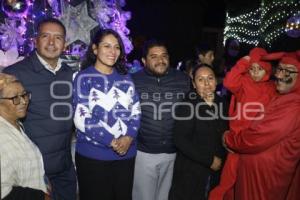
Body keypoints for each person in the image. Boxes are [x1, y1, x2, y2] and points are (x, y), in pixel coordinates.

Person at [3, 18, 77, 200]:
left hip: (64, 169)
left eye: (58, 37)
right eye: (46, 36)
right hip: (34, 173)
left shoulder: (71, 74)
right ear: (35, 40)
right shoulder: (15, 75)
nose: (52, 43)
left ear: (65, 43)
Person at [73, 28, 141, 200]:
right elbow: (81, 117)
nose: (113, 51)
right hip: (93, 158)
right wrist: (111, 141)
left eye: (117, 47)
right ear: (95, 49)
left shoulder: (126, 78)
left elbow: (136, 110)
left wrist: (128, 137)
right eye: (107, 46)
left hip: (126, 155)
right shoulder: (83, 78)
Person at [222, 51, 300, 200]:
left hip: (262, 183)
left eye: (288, 71)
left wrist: (229, 139)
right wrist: (245, 61)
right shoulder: (283, 96)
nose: (280, 75)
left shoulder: (293, 105)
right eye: (280, 69)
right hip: (253, 176)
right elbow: (230, 82)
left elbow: (257, 138)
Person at [209, 47, 276, 200]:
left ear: (267, 70)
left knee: (249, 185)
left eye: (260, 69)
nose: (255, 72)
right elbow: (229, 82)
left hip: (257, 145)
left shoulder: (272, 88)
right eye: (252, 68)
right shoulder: (245, 81)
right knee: (227, 181)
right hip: (237, 142)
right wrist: (244, 62)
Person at [131, 39, 190, 200]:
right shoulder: (133, 80)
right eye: (154, 56)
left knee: (165, 196)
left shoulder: (182, 79)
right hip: (144, 152)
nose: (160, 60)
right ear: (144, 61)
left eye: (164, 55)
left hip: (174, 152)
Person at [168, 65, 228, 200]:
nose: (207, 84)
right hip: (191, 170)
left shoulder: (222, 103)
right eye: (201, 80)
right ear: (194, 84)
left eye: (210, 78)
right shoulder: (187, 105)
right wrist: (209, 160)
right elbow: (180, 139)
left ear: (216, 81)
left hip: (216, 171)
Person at [0, 73, 49, 200]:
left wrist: (44, 184)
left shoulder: (16, 124)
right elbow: (4, 191)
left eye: (24, 95)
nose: (23, 101)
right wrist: (41, 196)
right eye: (15, 98)